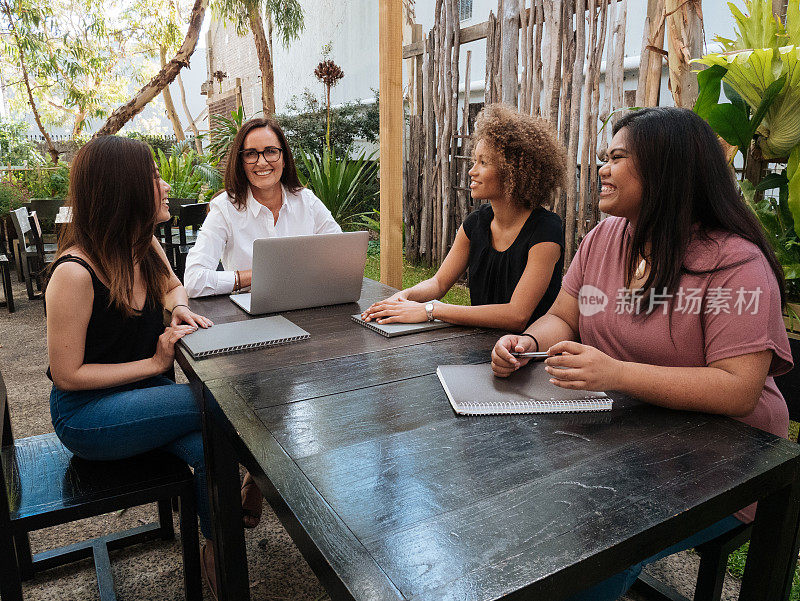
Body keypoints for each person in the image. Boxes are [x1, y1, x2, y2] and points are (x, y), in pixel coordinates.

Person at [490, 106, 793, 601]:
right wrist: (528, 342)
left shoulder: (735, 263)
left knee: (585, 555)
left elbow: (738, 388)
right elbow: (564, 315)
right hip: (629, 434)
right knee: (524, 512)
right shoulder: (606, 237)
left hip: (724, 460)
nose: (601, 169)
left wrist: (617, 373)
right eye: (603, 157)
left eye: (617, 157)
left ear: (665, 168)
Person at [45, 136, 223, 596]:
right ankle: (263, 499)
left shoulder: (140, 245)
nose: (165, 186)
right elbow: (67, 374)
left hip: (144, 403)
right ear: (125, 190)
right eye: (154, 178)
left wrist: (179, 307)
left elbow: (172, 286)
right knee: (224, 404)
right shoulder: (74, 273)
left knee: (207, 443)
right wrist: (153, 362)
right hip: (88, 416)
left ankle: (215, 546)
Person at [361, 104, 565, 332]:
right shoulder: (476, 224)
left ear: (514, 173)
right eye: (474, 161)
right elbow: (438, 283)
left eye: (483, 162)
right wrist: (404, 296)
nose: (472, 170)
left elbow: (516, 315)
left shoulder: (546, 230)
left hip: (530, 354)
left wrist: (431, 310)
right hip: (480, 346)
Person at [183, 116, 341, 298]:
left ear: (284, 158)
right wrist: (261, 275)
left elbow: (341, 259)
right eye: (251, 154)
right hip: (251, 316)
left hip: (305, 305)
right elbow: (194, 281)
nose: (262, 162)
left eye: (271, 151)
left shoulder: (306, 201)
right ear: (241, 162)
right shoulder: (225, 207)